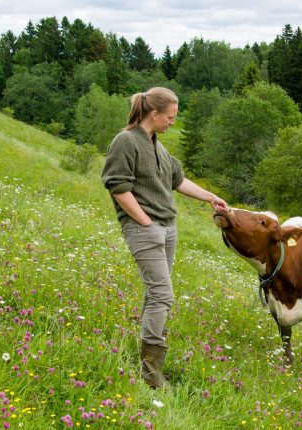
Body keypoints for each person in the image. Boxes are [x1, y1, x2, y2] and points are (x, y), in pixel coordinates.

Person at [102, 87, 229, 389]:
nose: (174, 121)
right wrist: (146, 223)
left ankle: (148, 362)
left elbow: (178, 180)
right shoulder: (126, 141)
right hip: (145, 228)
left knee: (155, 293)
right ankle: (150, 371)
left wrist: (210, 197)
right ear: (154, 113)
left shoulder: (158, 146)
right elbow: (117, 186)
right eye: (170, 117)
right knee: (163, 295)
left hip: (167, 228)